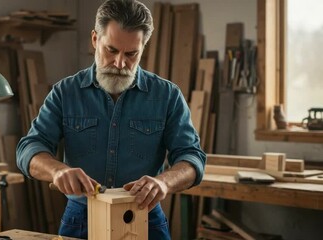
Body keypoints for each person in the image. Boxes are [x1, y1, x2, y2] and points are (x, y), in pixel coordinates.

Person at [16, 0, 206, 239]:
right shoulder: (66, 92)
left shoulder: (167, 96)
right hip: (81, 219)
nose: (119, 63)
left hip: (144, 217)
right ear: (95, 40)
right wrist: (57, 171)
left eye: (131, 54)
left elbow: (192, 157)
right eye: (111, 50)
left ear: (143, 47)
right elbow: (29, 148)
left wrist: (164, 183)